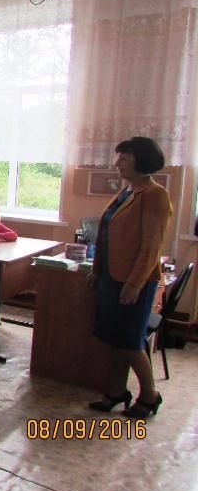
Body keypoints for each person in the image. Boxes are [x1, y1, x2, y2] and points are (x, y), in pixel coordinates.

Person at [86, 137, 172, 419]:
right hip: (112, 277)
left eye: (124, 158)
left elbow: (151, 245)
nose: (117, 164)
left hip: (134, 280)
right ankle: (115, 392)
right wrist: (97, 270)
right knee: (113, 338)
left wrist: (135, 283)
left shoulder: (154, 194)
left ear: (141, 160)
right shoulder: (128, 191)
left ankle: (149, 395)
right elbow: (106, 235)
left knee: (130, 341)